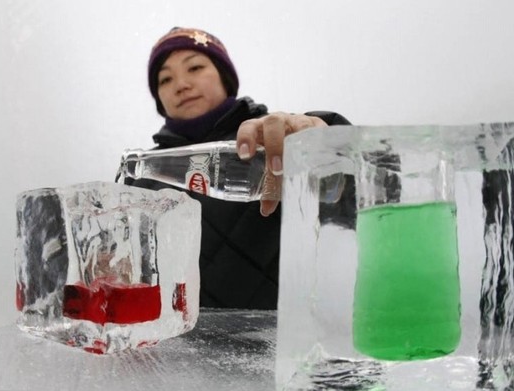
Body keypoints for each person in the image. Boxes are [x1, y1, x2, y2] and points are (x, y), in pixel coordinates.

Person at [125, 27, 351, 309]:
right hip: (179, 350)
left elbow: (359, 199)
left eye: (194, 67)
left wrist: (326, 140)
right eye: (165, 79)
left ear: (224, 77)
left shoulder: (273, 144)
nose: (181, 84)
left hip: (282, 342)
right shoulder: (141, 178)